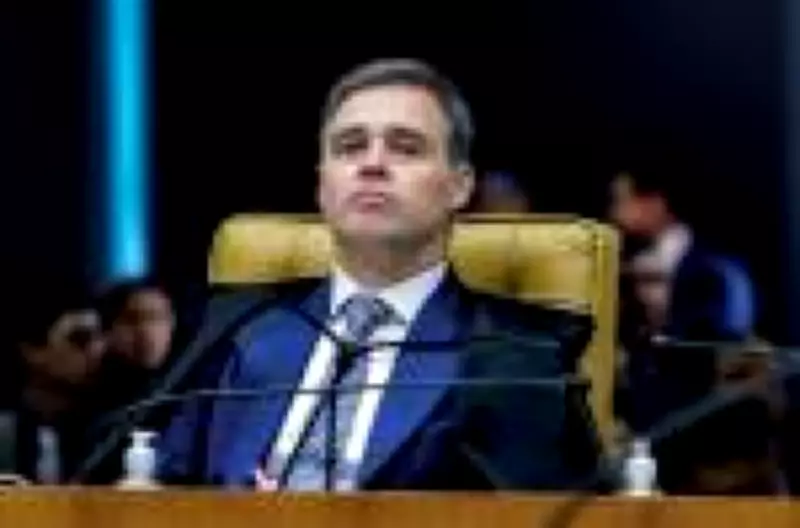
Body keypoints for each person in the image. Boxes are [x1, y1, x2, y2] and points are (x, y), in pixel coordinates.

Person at [156, 58, 600, 491]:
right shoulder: (235, 328)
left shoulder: (519, 356)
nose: (372, 165)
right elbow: (149, 486)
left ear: (460, 186)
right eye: (350, 147)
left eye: (406, 148)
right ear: (322, 186)